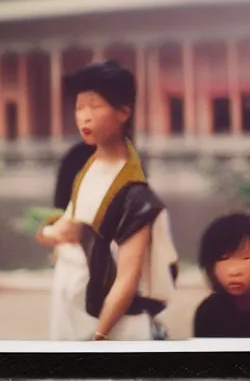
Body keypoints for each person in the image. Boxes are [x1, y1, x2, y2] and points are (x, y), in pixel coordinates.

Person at [36, 60, 178, 341]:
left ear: (124, 111)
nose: (84, 117)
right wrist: (49, 233)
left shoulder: (135, 191)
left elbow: (127, 278)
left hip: (112, 322)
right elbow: (65, 227)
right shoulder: (85, 169)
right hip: (73, 300)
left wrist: (100, 337)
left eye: (95, 106)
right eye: (79, 108)